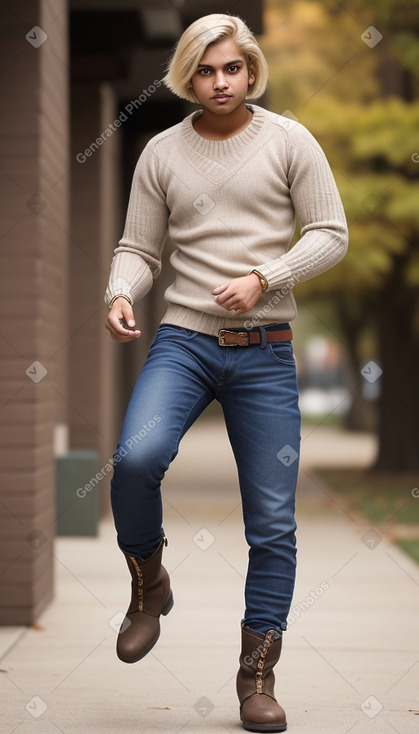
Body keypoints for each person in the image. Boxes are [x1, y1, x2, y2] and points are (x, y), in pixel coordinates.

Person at [104, 13, 348, 733]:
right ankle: (148, 587)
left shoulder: (287, 140)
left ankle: (256, 678)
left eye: (232, 69)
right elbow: (138, 249)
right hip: (184, 340)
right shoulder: (161, 153)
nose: (220, 82)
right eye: (206, 70)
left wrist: (263, 276)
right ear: (188, 74)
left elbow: (330, 233)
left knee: (271, 522)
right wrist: (120, 290)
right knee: (134, 458)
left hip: (265, 351)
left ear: (250, 71)